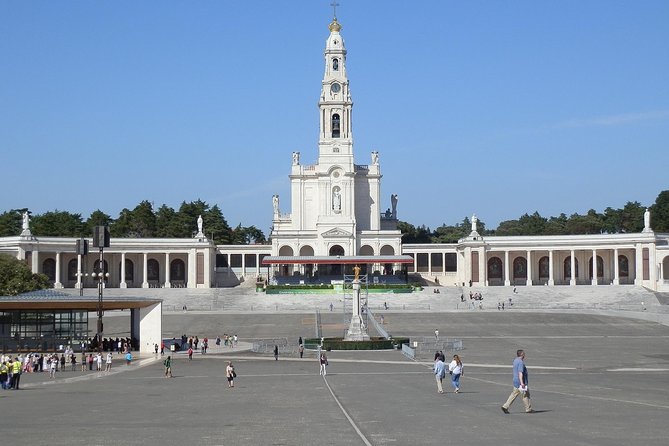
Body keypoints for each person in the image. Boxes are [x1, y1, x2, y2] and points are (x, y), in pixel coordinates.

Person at [501, 349, 533, 414]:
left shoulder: (515, 360)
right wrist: (522, 383)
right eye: (524, 354)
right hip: (520, 382)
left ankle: (505, 406)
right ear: (521, 354)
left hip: (515, 381)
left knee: (514, 394)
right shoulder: (520, 362)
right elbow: (520, 373)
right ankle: (528, 409)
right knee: (525, 395)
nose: (524, 355)